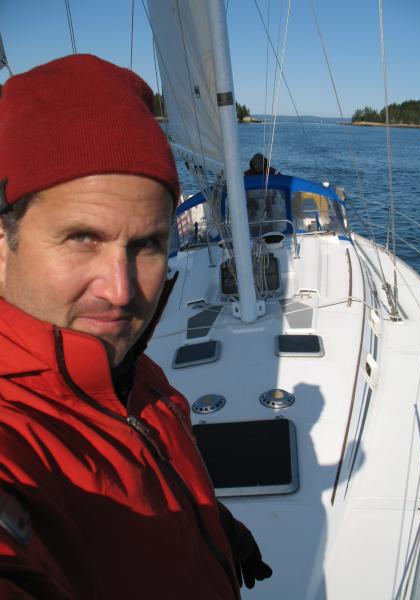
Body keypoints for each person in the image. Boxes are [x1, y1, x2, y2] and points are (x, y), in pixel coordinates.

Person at [0, 54, 271, 599]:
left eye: (147, 244)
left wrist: (213, 528)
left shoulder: (127, 371)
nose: (121, 292)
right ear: (4, 244)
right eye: (82, 238)